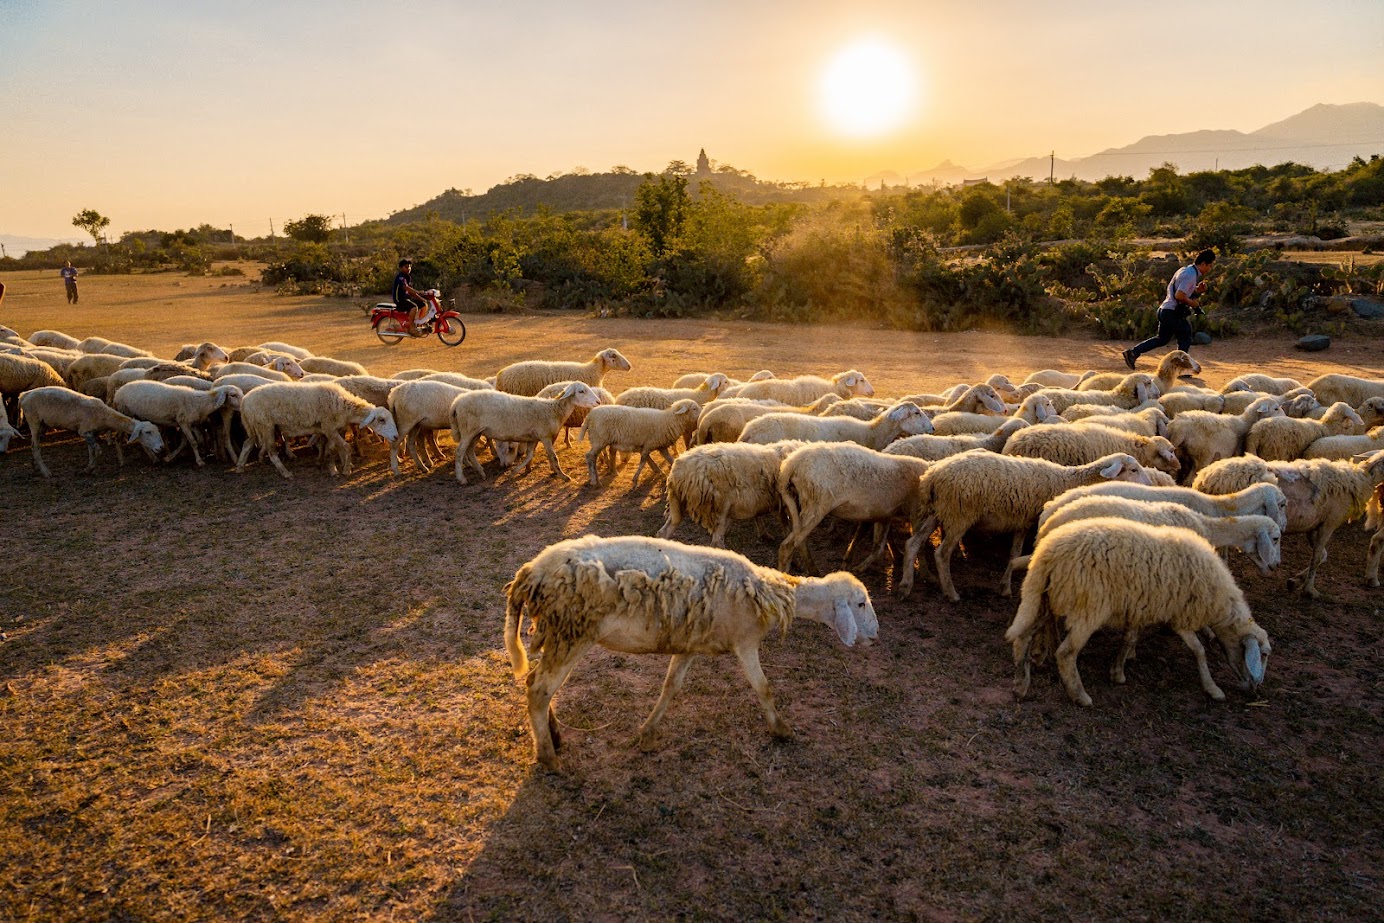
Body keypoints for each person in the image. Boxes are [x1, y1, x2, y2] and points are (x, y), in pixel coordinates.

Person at [1122, 249, 1216, 370]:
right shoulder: (1191, 275)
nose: (1210, 268)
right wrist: (1193, 303)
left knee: (1162, 339)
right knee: (1185, 333)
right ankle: (1180, 367)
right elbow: (1179, 295)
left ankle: (1133, 353)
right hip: (1171, 312)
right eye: (1210, 265)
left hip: (1165, 310)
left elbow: (1181, 290)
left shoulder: (1185, 270)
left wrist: (1197, 290)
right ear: (1203, 264)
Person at [392, 258, 428, 336]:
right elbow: (406, 288)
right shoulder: (400, 277)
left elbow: (411, 292)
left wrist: (422, 299)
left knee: (424, 304)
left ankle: (419, 324)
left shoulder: (408, 277)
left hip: (406, 299)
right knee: (414, 307)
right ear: (401, 268)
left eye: (409, 267)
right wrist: (418, 291)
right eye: (406, 267)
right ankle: (412, 328)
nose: (408, 268)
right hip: (400, 300)